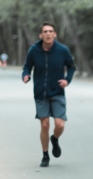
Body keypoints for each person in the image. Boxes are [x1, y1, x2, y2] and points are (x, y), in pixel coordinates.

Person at [23, 22, 75, 167]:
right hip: (40, 93)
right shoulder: (34, 50)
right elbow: (27, 66)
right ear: (41, 35)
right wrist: (26, 75)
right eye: (45, 31)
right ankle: (45, 155)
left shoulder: (62, 50)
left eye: (50, 31)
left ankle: (55, 139)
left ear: (54, 34)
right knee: (44, 125)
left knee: (60, 124)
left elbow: (71, 67)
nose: (48, 33)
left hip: (57, 92)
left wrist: (67, 80)